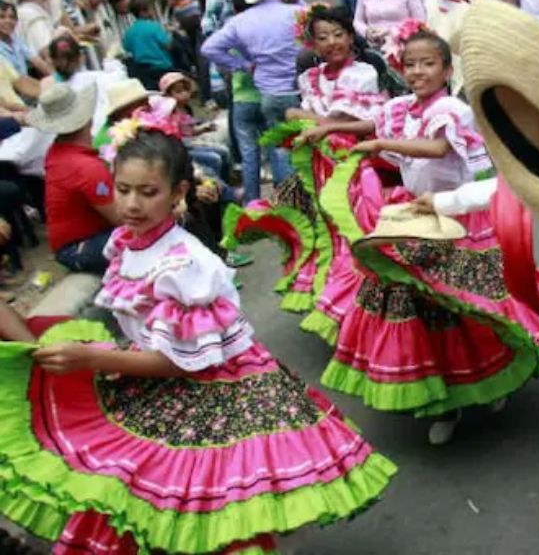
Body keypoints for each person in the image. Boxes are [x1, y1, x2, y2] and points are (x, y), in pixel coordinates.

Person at [0, 126, 395, 553]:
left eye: (148, 192)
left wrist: (92, 358)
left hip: (212, 384)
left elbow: (178, 361)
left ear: (178, 192)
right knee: (142, 502)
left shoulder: (186, 265)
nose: (131, 204)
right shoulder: (126, 243)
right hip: (162, 375)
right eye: (123, 189)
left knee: (209, 513)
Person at [322, 24, 539, 446]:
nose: (417, 72)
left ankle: (497, 380)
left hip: (458, 219)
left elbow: (438, 148)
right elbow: (372, 123)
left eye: (427, 64)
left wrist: (378, 145)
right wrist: (324, 129)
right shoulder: (402, 107)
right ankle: (446, 402)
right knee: (425, 309)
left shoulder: (452, 110)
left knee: (474, 306)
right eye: (410, 64)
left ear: (447, 71)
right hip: (415, 215)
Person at [200, 0, 303, 187]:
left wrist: (244, 65)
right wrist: (299, 0)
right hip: (298, 90)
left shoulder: (240, 21)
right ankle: (301, 195)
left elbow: (209, 48)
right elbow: (322, 22)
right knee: (302, 147)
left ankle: (286, 196)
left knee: (279, 146)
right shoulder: (297, 13)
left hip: (268, 94)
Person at [26, 84, 118, 273]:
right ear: (89, 120)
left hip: (67, 244)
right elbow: (122, 218)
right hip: (79, 247)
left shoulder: (57, 150)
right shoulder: (86, 167)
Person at [121, 0, 175, 89]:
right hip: (162, 67)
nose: (152, 12)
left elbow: (127, 48)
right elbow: (167, 45)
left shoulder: (129, 32)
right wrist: (170, 34)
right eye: (150, 9)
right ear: (142, 12)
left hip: (142, 71)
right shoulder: (154, 26)